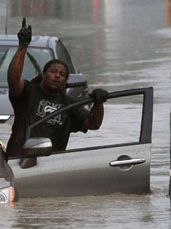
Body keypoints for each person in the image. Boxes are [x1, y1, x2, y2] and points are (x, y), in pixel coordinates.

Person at [6, 18, 109, 157]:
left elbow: (93, 123)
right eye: (53, 71)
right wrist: (22, 47)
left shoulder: (69, 104)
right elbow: (13, 80)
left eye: (62, 74)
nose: (57, 76)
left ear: (65, 81)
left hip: (52, 166)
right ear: (43, 74)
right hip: (18, 160)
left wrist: (98, 103)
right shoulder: (28, 92)